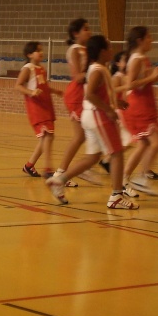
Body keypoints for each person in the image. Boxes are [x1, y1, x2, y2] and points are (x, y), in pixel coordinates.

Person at [45, 35, 138, 210]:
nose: (112, 51)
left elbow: (99, 92)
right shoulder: (97, 69)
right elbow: (90, 95)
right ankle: (116, 196)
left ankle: (59, 180)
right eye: (109, 47)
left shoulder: (99, 68)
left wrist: (115, 102)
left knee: (93, 157)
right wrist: (109, 109)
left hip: (91, 115)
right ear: (102, 51)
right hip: (97, 115)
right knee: (117, 153)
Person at [122, 26, 158, 196]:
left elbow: (145, 81)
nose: (151, 40)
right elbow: (130, 84)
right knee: (157, 143)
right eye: (149, 37)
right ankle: (141, 178)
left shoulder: (142, 58)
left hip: (145, 104)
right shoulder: (136, 59)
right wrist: (152, 77)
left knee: (143, 145)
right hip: (139, 106)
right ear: (140, 40)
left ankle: (124, 178)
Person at [53, 18, 99, 186]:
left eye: (89, 28)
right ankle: (82, 167)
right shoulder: (75, 50)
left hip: (84, 95)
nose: (89, 31)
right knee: (83, 135)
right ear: (75, 33)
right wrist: (97, 71)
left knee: (81, 137)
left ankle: (62, 173)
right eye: (85, 29)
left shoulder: (87, 49)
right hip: (76, 95)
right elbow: (77, 76)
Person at [15, 41, 62, 177]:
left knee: (46, 138)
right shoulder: (28, 68)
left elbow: (44, 86)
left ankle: (29, 165)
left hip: (46, 105)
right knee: (48, 136)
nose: (41, 53)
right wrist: (31, 92)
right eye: (37, 50)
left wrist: (55, 91)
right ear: (29, 54)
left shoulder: (41, 68)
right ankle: (48, 168)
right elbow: (17, 86)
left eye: (41, 50)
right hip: (36, 107)